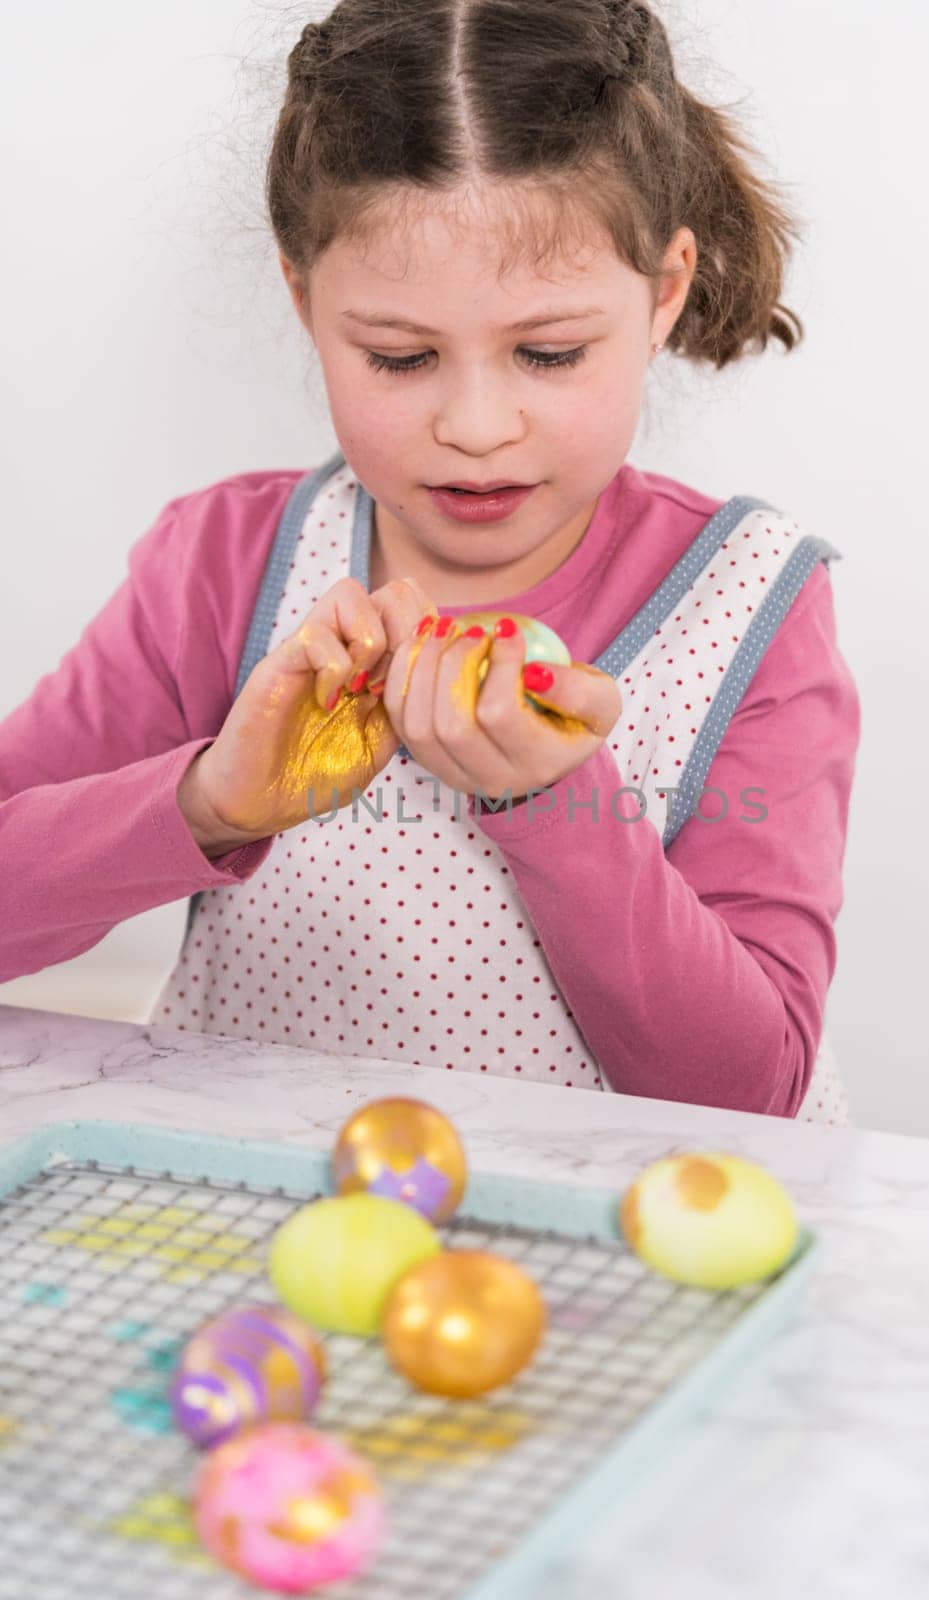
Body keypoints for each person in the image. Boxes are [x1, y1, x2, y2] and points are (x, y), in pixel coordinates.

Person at [0, 0, 860, 1122]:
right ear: (306, 298)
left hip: (615, 1268)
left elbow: (746, 1089)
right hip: (270, 1236)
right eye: (399, 358)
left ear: (661, 293)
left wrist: (551, 800)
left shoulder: (749, 603)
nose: (476, 424)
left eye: (547, 352)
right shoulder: (223, 566)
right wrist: (207, 803)